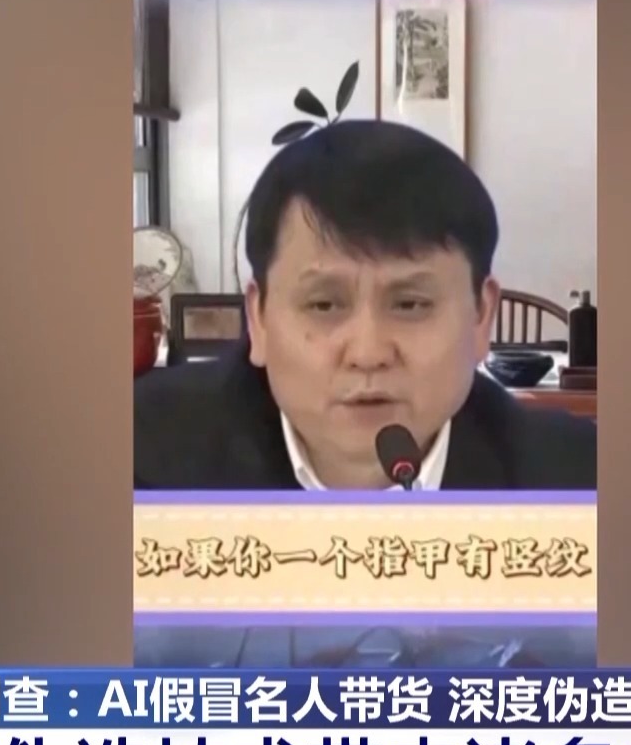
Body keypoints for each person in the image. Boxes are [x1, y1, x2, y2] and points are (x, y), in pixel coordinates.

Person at [135, 120, 596, 490]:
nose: (368, 353)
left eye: (410, 305)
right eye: (324, 305)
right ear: (258, 320)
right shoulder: (135, 460)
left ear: (481, 317)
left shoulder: (580, 483)